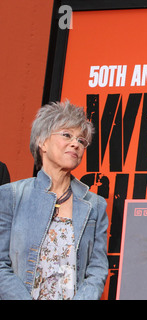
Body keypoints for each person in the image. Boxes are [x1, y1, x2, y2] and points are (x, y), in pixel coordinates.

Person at [0, 101, 109, 300]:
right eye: (67, 135)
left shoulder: (95, 205)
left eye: (82, 141)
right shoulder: (10, 196)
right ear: (42, 141)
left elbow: (97, 269)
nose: (76, 143)